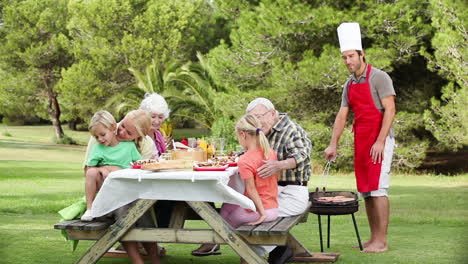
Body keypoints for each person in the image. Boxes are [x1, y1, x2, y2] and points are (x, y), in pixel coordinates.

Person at [324, 22, 396, 253]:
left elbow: (390, 110)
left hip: (379, 140)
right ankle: (373, 238)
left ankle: (382, 242)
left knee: (378, 188)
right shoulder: (349, 83)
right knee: (366, 190)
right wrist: (333, 144)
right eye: (344, 57)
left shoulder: (379, 77)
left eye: (351, 56)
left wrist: (381, 141)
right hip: (362, 140)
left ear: (362, 54)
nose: (348, 61)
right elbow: (342, 114)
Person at [192, 115, 280, 259]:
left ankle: (245, 256)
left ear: (242, 134)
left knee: (228, 223)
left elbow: (251, 190)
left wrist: (262, 213)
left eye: (238, 136)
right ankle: (214, 243)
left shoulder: (245, 159)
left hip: (263, 212)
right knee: (227, 207)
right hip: (273, 207)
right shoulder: (271, 153)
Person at [82, 109, 161, 264]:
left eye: (129, 132)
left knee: (143, 209)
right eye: (122, 125)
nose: (121, 131)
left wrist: (110, 169)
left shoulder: (143, 144)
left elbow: (140, 171)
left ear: (139, 135)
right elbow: (89, 171)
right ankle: (138, 261)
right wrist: (101, 170)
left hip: (133, 191)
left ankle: (155, 259)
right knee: (124, 211)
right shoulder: (102, 133)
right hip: (106, 195)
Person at [247, 97, 312, 263]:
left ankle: (251, 256)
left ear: (273, 113)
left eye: (259, 117)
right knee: (239, 210)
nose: (257, 122)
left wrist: (279, 165)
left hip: (291, 192)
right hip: (269, 191)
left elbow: (303, 156)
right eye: (253, 119)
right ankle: (280, 249)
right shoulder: (260, 131)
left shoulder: (292, 130)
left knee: (254, 216)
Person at [81, 110, 142, 221]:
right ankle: (90, 208)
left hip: (124, 187)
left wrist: (117, 170)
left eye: (102, 134)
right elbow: (89, 170)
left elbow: (139, 165)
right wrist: (102, 169)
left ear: (113, 128)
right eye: (96, 137)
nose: (100, 139)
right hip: (105, 186)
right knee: (91, 172)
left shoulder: (129, 146)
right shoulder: (97, 148)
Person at [139, 93, 169, 158]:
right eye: (153, 117)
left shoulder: (158, 135)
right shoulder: (138, 135)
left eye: (160, 117)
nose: (157, 121)